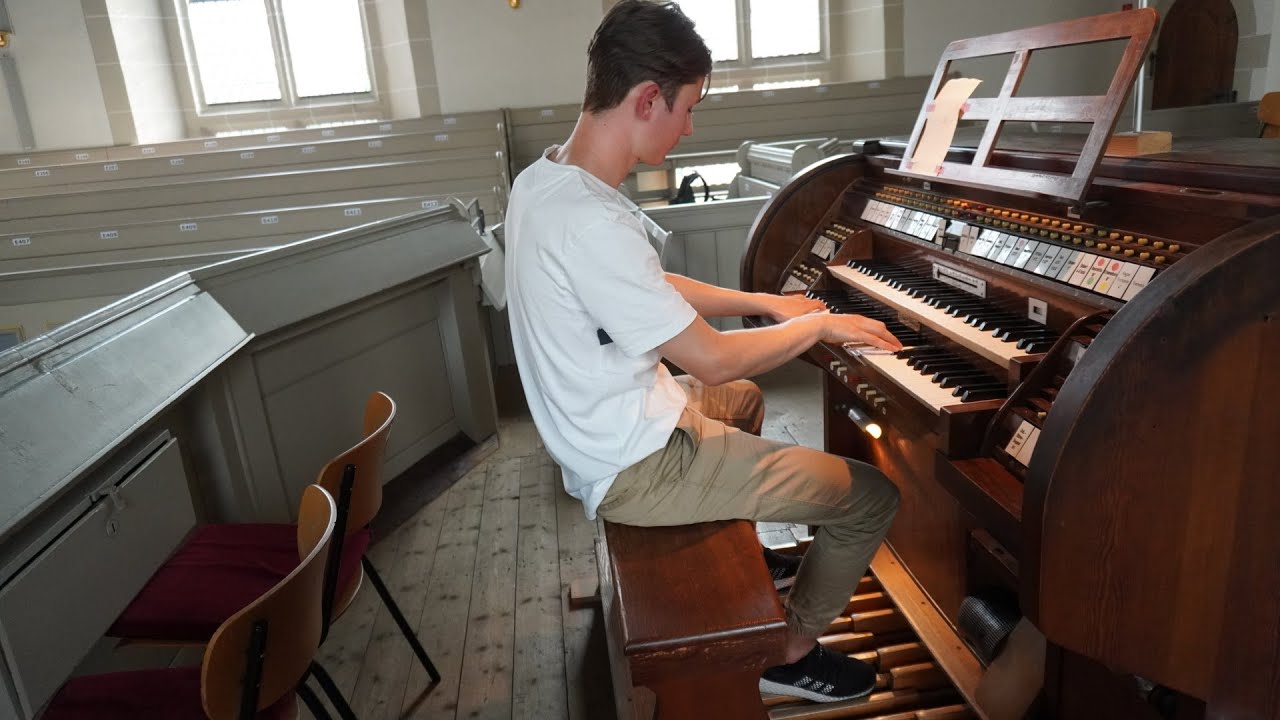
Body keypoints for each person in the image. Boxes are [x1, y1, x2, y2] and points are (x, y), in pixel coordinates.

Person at [504, 0, 903, 704]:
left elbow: (647, 285)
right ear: (647, 97)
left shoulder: (546, 181)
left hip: (603, 429)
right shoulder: (589, 220)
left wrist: (772, 305)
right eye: (688, 107)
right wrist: (818, 327)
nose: (690, 127)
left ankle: (747, 560)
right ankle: (787, 653)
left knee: (744, 403)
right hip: (634, 463)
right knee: (871, 497)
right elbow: (712, 359)